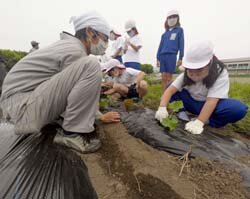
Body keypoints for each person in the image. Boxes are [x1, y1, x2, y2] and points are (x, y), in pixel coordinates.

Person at [0, 11, 119, 153]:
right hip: (22, 111)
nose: (105, 45)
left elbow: (67, 90)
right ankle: (70, 134)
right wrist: (99, 117)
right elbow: (77, 94)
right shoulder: (75, 51)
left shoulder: (69, 47)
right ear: (89, 32)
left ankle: (65, 124)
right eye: (104, 39)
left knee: (88, 65)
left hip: (18, 105)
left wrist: (96, 115)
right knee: (92, 65)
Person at [155, 40, 248, 135]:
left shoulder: (220, 73)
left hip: (210, 105)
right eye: (190, 70)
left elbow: (212, 101)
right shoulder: (185, 75)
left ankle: (209, 121)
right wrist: (162, 108)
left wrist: (200, 121)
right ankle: (182, 114)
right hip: (190, 103)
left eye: (199, 70)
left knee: (238, 109)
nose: (194, 74)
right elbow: (170, 90)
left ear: (210, 63)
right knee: (170, 86)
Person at [156, 9, 184, 91]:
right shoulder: (164, 34)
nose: (172, 19)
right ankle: (164, 96)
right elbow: (160, 46)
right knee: (163, 77)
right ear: (167, 20)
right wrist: (157, 58)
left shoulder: (179, 30)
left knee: (169, 77)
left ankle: (170, 96)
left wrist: (180, 58)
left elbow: (181, 44)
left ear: (177, 18)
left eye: (174, 17)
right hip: (162, 56)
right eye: (170, 17)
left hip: (171, 55)